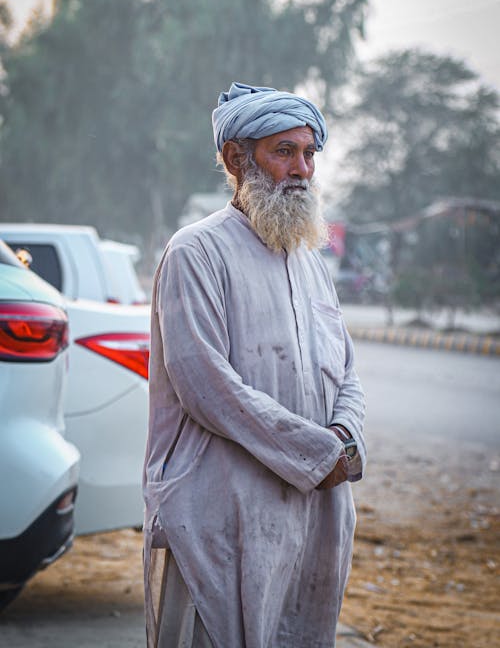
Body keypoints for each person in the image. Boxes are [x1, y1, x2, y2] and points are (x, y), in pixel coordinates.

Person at [143, 82, 366, 648]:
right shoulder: (197, 251)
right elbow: (206, 386)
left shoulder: (308, 259)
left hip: (311, 509)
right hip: (221, 512)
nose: (302, 169)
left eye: (310, 153)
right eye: (283, 151)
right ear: (236, 159)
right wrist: (318, 453)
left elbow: (346, 367)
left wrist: (344, 434)